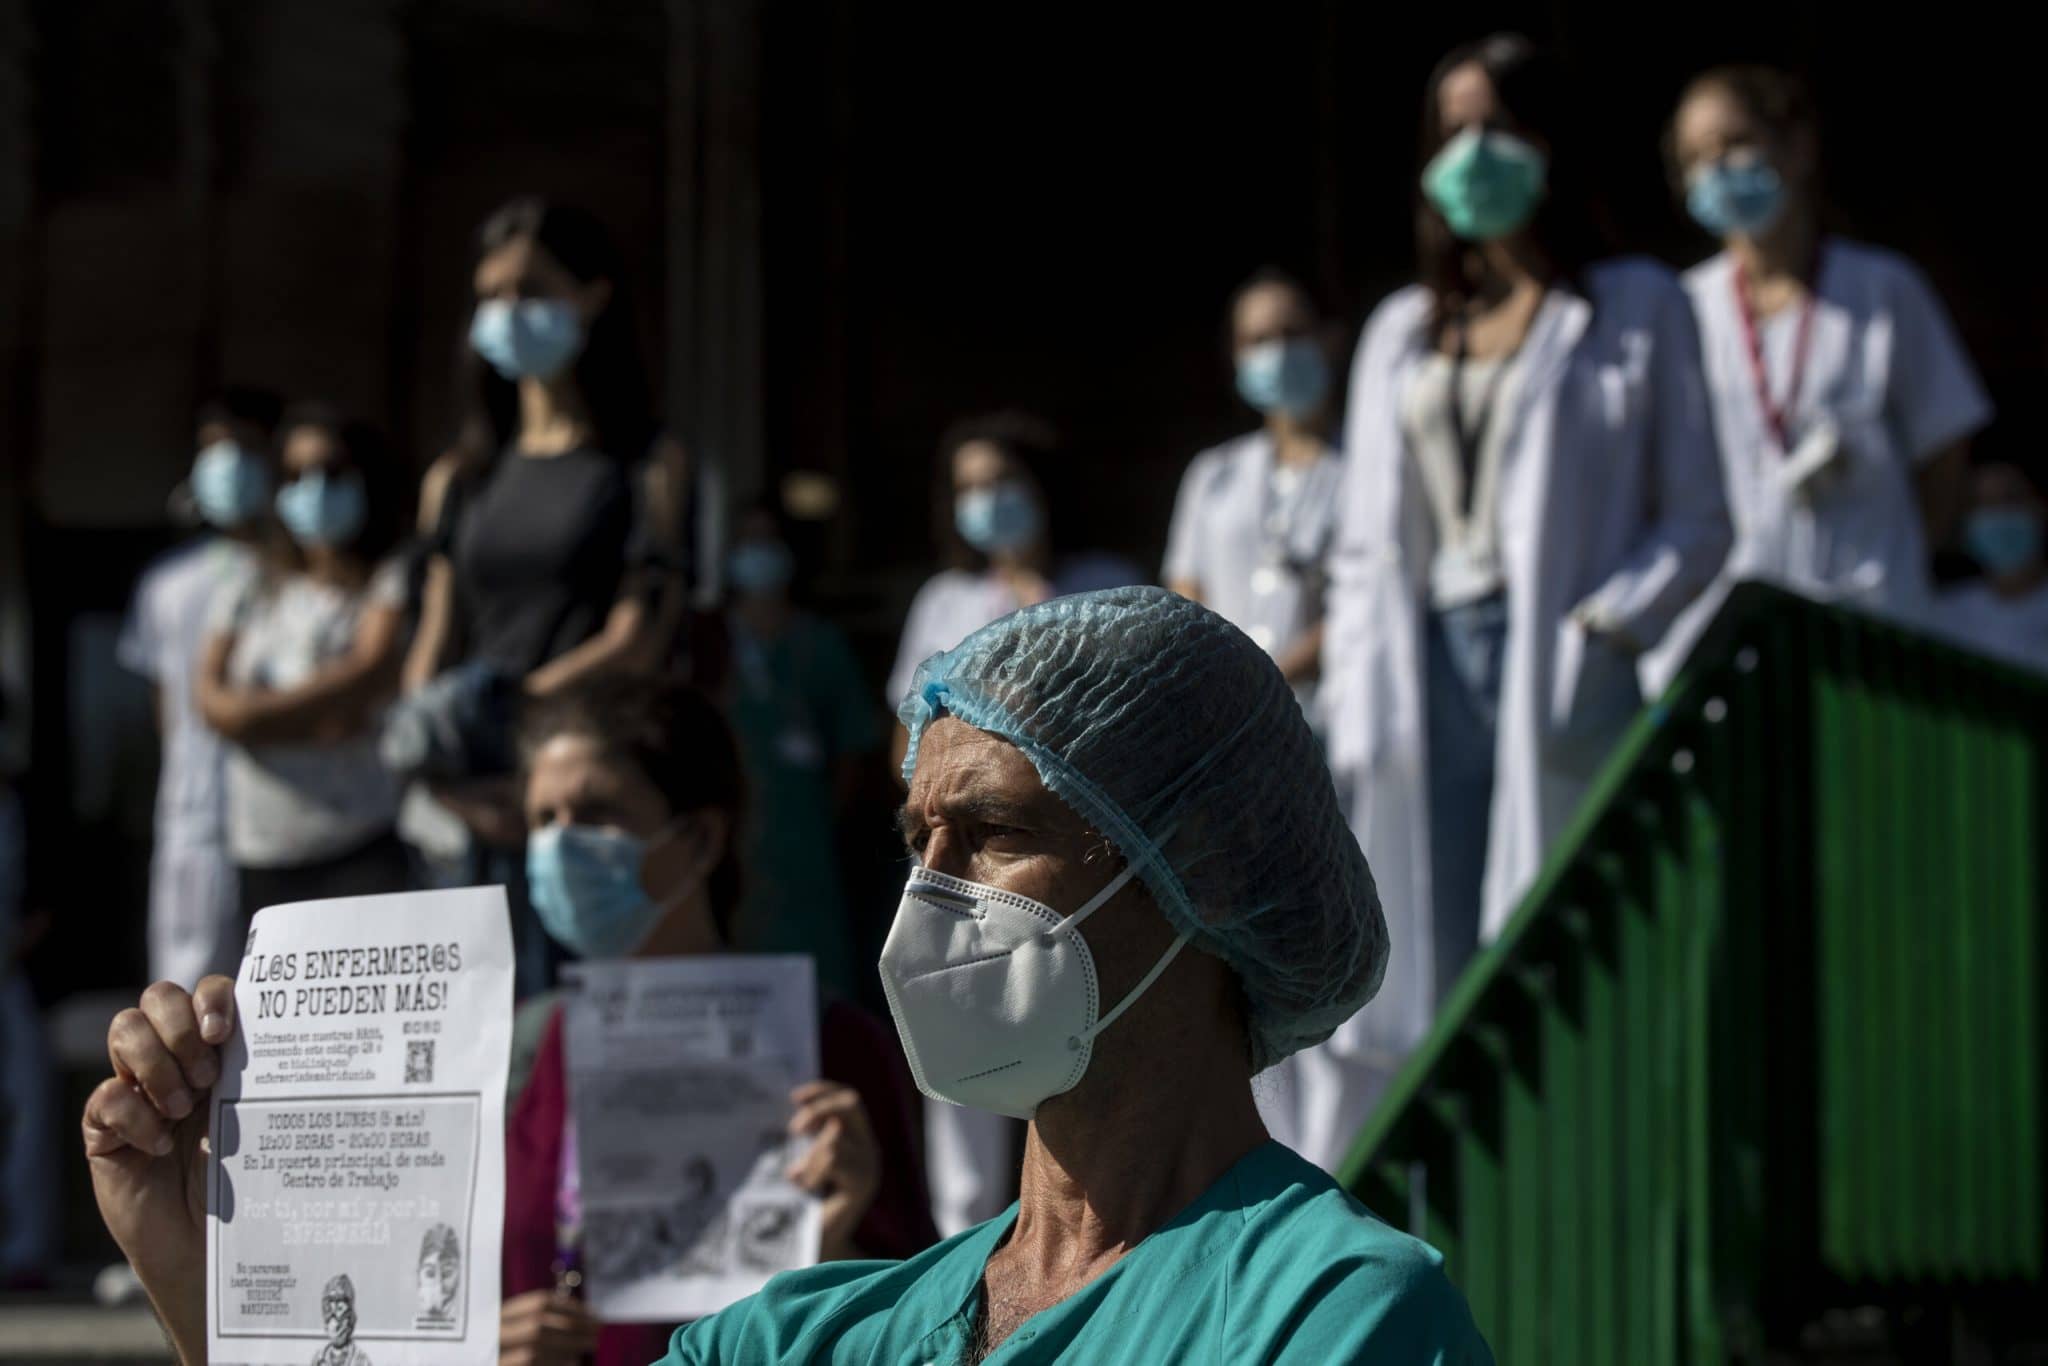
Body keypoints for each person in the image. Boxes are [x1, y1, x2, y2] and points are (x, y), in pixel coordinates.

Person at [84, 587, 1492, 1364]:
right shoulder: (815, 1334)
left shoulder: (1332, 1316)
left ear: (1204, 870)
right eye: (915, 840)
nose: (930, 894)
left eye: (991, 833)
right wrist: (207, 1273)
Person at [1313, 35, 1730, 1170]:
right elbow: (1362, 546)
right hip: (1421, 672)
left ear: (1553, 143)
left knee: (1555, 952)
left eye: (1498, 124)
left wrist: (1609, 627)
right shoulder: (1402, 332)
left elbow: (1700, 519)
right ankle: (1455, 1203)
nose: (1474, 152)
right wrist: (1357, 697)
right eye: (1452, 130)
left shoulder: (1636, 305)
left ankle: (1571, 1188)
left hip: (1557, 665)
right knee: (1425, 959)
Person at [504, 676, 935, 1364]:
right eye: (543, 819)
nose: (561, 846)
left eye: (596, 814)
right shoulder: (523, 1051)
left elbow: (917, 1325)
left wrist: (837, 1247)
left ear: (701, 837)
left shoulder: (834, 1048)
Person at [404, 196, 690, 998]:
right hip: (469, 799)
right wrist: (432, 748)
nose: (508, 312)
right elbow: (434, 632)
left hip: (584, 790)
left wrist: (509, 715)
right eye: (490, 295)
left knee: (581, 1017)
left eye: (531, 289)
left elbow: (635, 637)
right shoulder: (459, 477)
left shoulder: (645, 464)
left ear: (592, 296)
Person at [887, 412, 1142, 1237]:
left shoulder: (1107, 583)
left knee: (1082, 1030)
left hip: (1079, 855)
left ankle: (1095, 1228)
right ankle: (964, 1236)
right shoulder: (944, 600)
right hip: (963, 859)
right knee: (959, 1030)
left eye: (1001, 481)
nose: (986, 501)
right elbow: (904, 736)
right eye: (968, 488)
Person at [1667, 63, 1990, 629]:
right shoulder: (1682, 309)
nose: (1716, 168)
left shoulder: (1883, 288)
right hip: (1736, 621)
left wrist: (1896, 553)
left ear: (1798, 147)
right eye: (1696, 157)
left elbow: (1943, 457)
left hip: (1873, 613)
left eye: (1736, 143)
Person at [195, 405, 412, 917]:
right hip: (262, 847)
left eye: (332, 472)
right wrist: (315, 717)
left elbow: (367, 673)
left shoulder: (391, 579)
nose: (314, 490)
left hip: (357, 841)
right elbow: (210, 701)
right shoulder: (250, 581)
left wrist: (252, 719)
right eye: (295, 475)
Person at [119, 387, 281, 987]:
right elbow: (168, 709)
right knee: (189, 997)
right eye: (214, 447)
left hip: (292, 822)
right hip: (194, 822)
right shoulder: (167, 585)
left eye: (244, 446)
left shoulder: (299, 576)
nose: (228, 462)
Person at [721, 503, 883, 1002]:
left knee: (819, 989)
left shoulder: (818, 644)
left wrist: (824, 816)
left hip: (808, 841)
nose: (759, 554)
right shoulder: (711, 644)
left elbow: (854, 745)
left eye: (769, 541)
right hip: (735, 844)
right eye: (748, 541)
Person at [1164, 268, 1344, 706]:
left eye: (1292, 333)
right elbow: (1185, 588)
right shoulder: (1213, 473)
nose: (1277, 352)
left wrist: (1269, 681)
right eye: (1257, 341)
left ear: (1330, 339)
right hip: (1224, 712)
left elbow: (1362, 599)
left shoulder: (1364, 469)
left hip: (1324, 710)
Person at [1935, 460, 2048, 672]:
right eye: (1983, 503)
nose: (1998, 514)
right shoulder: (1942, 614)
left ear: (2040, 507)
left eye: (2010, 498)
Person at [314, 1274, 372, 1366]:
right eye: (330, 1316)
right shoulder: (319, 1358)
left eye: (340, 1309)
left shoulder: (361, 1360)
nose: (335, 1324)